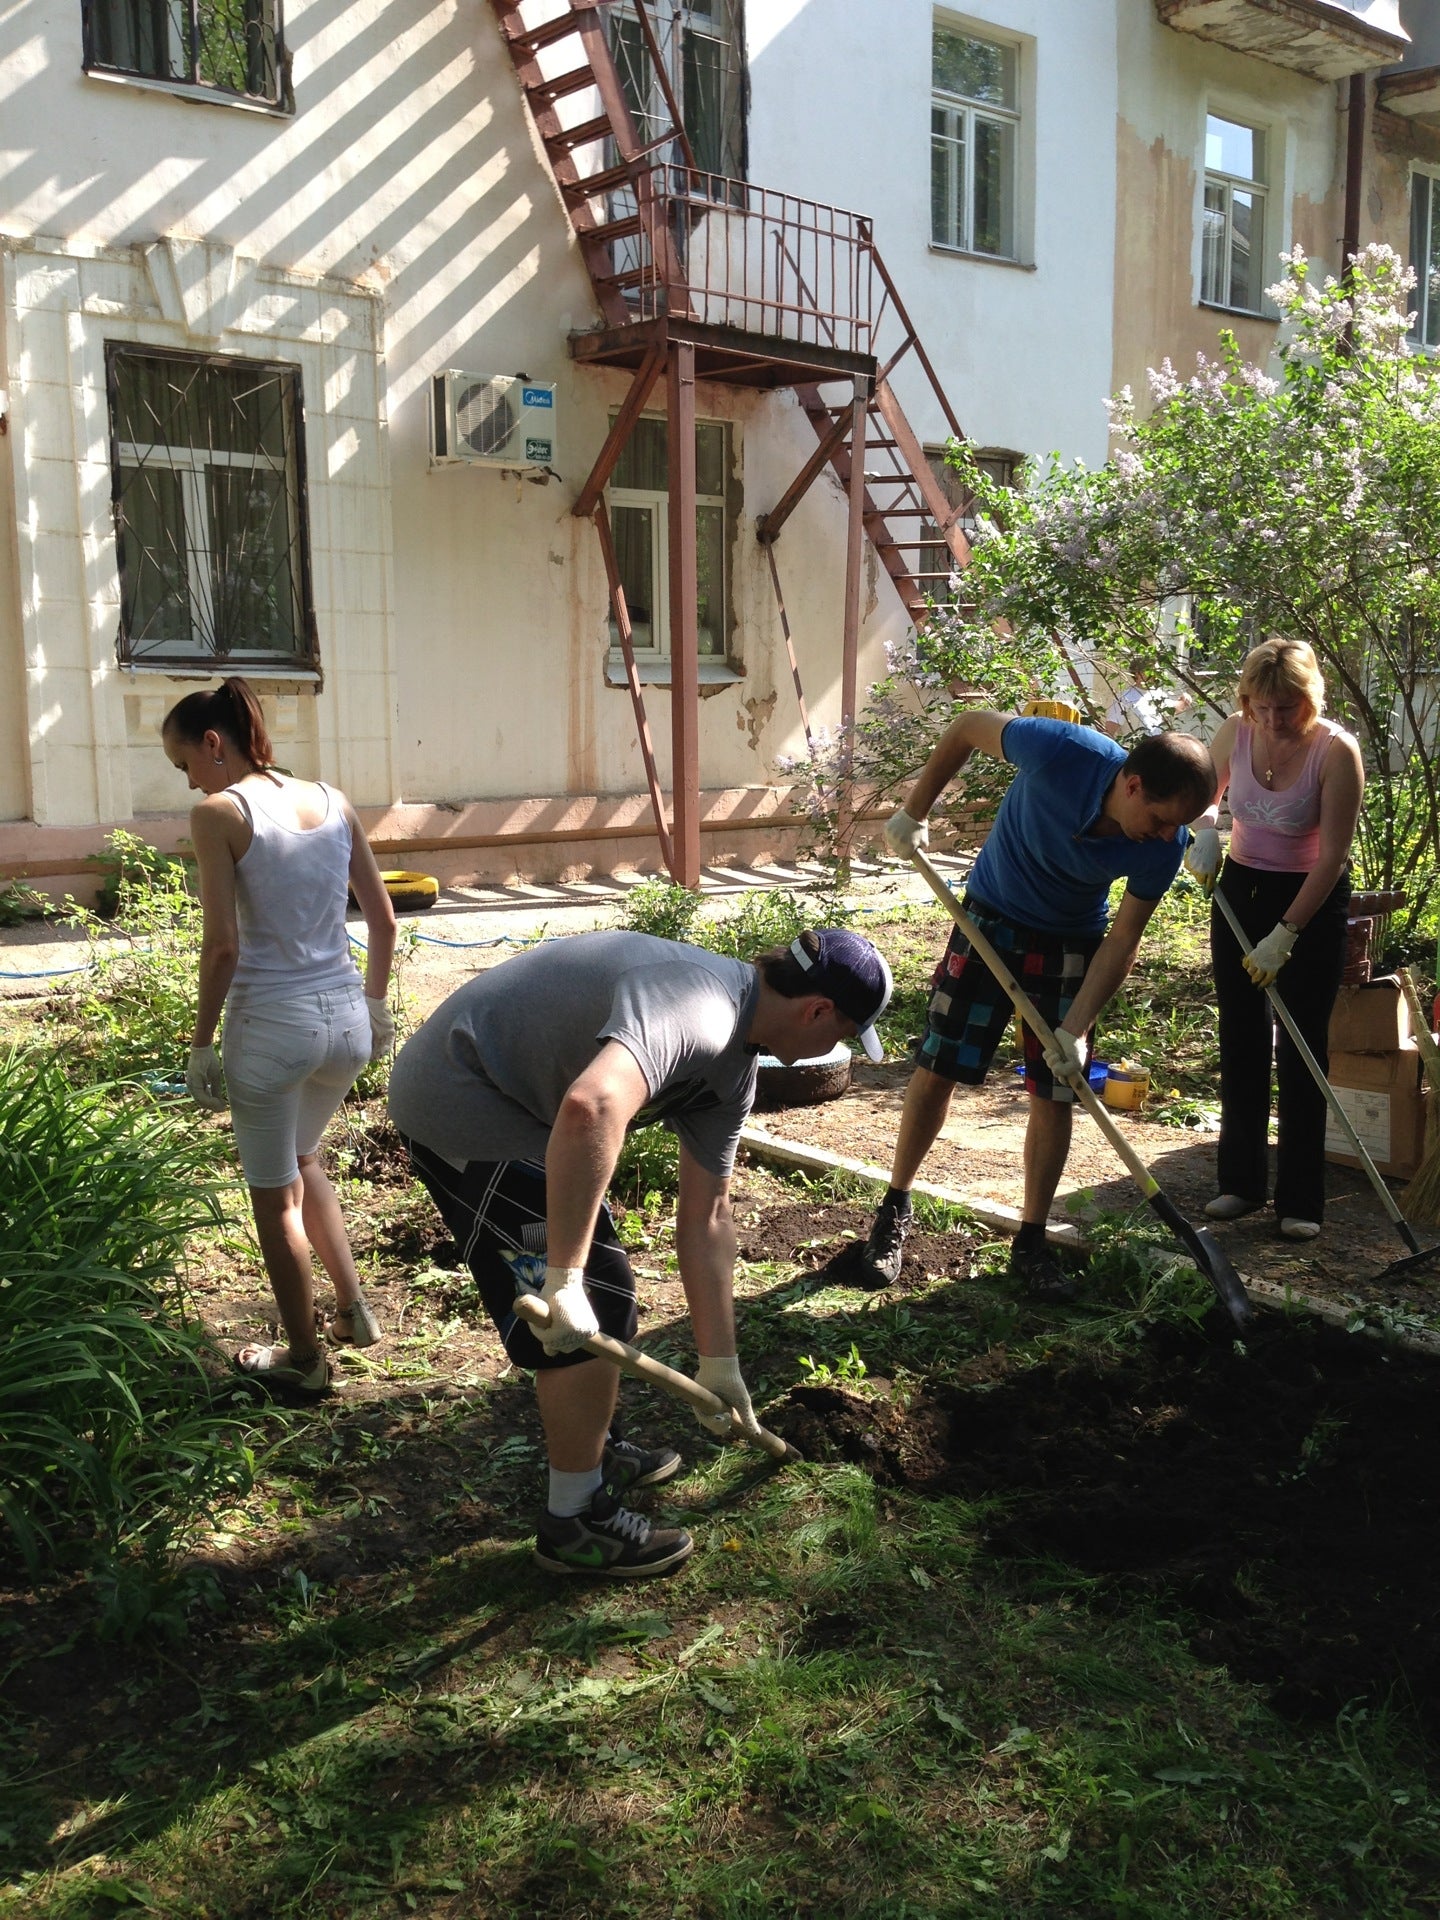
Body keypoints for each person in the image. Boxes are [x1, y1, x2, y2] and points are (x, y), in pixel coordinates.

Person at [387, 925, 891, 1579]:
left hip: (517, 1104)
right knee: (595, 1300)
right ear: (818, 1010)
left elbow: (707, 1215)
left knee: (603, 1292)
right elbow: (592, 1106)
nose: (835, 1048)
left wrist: (721, 1363)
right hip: (465, 1097)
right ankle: (574, 1521)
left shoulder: (731, 1068)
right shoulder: (700, 1008)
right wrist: (564, 1279)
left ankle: (593, 1440)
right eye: (845, 1034)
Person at [872, 712, 1217, 1299]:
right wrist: (914, 811)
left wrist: (1076, 1028)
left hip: (1071, 944)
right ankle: (892, 1212)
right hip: (987, 920)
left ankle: (1031, 1244)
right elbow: (962, 728)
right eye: (1161, 821)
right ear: (1132, 785)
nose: (1167, 837)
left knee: (1056, 1091)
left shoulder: (1164, 846)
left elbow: (1124, 939)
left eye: (1178, 827)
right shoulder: (1061, 750)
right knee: (940, 1066)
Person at [164, 678, 398, 1395]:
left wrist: (201, 1043)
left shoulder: (219, 813)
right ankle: (354, 1313)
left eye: (185, 765)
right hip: (346, 1025)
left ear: (213, 744)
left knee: (275, 1199)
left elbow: (222, 948)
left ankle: (303, 1363)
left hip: (272, 1030)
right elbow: (385, 922)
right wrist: (378, 1006)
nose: (188, 781)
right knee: (305, 1159)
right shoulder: (333, 800)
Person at [1182, 639, 1364, 1241]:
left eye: (1286, 707)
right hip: (1242, 888)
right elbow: (1202, 798)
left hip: (1309, 897)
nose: (1273, 719)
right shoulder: (1237, 729)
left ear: (1308, 700)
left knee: (1302, 1046)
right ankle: (1240, 1182)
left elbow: (1333, 857)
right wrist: (1205, 831)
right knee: (1241, 1033)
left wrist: (1288, 933)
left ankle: (1300, 1201)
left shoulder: (1336, 751)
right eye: (1262, 706)